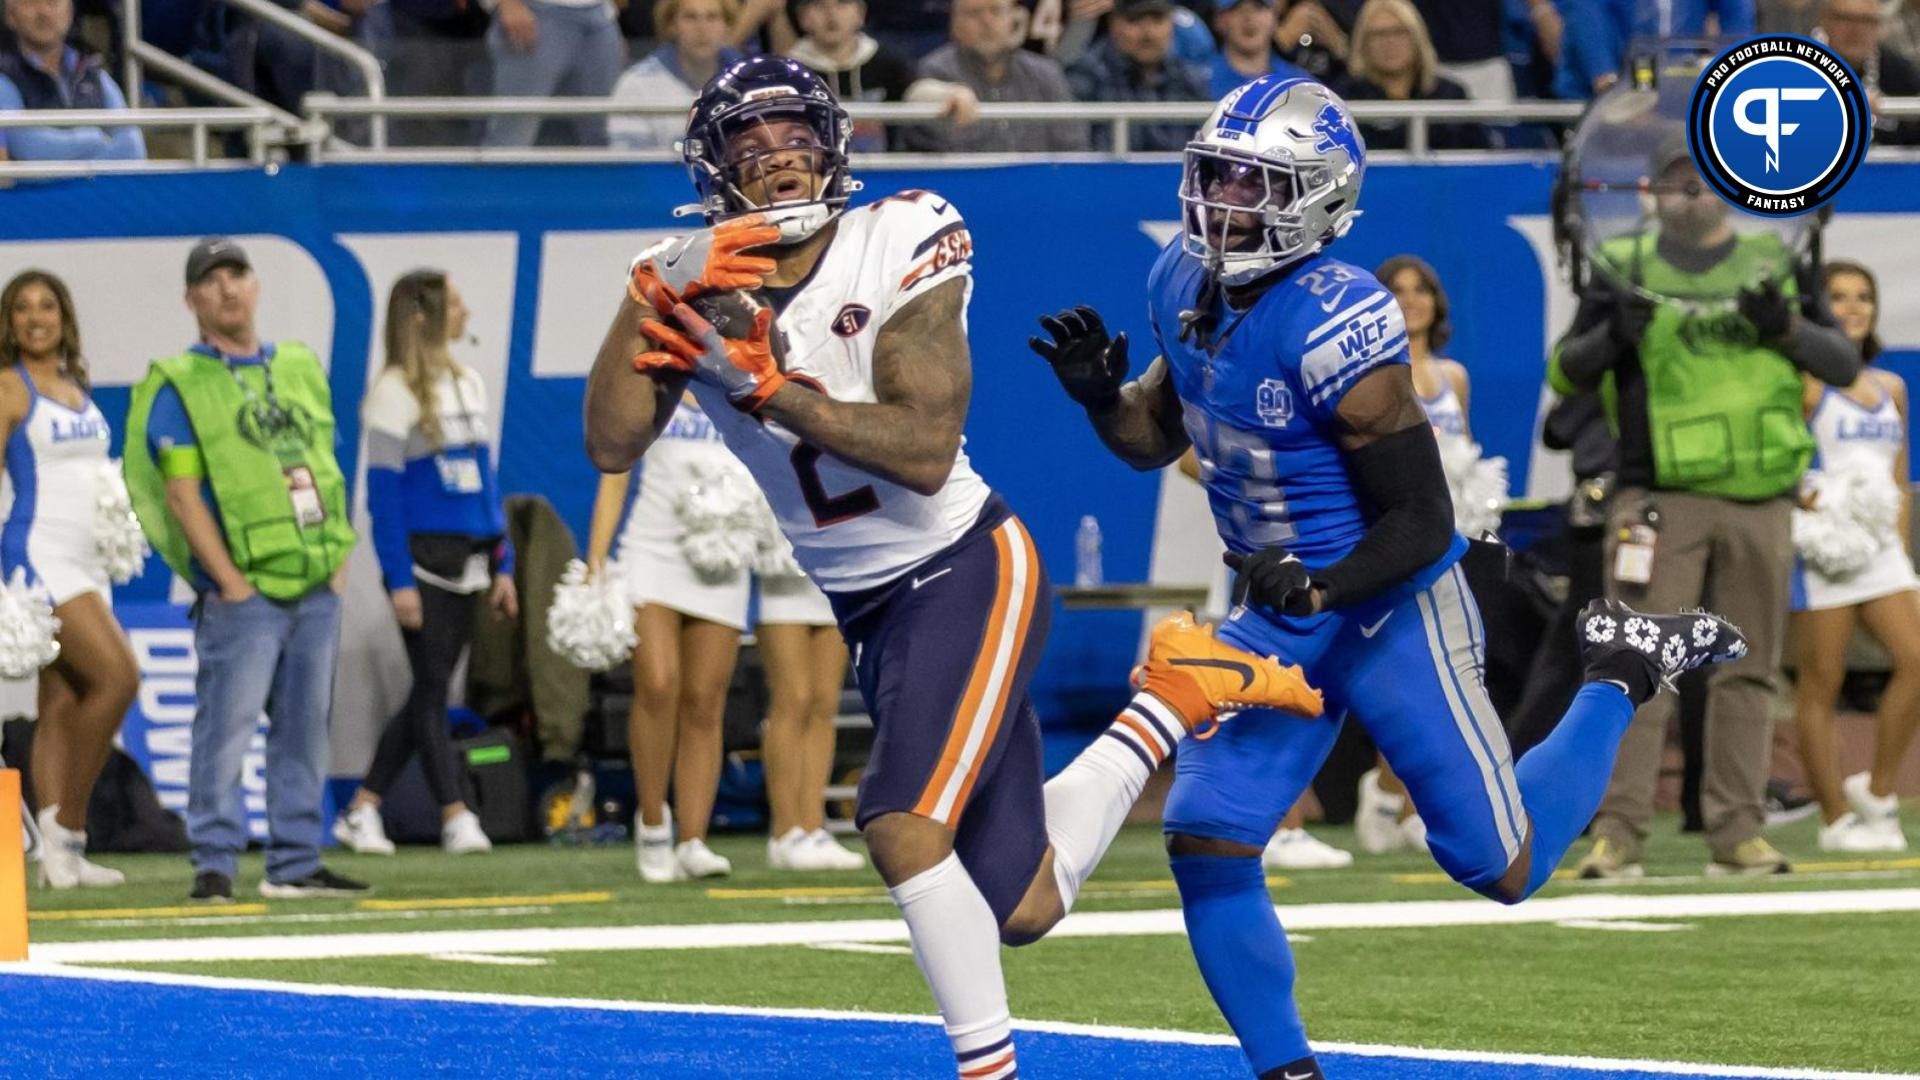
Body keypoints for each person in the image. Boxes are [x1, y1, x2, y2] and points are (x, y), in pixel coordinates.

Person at [588, 56, 1322, 1078]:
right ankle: (1169, 700)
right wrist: (650, 302)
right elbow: (613, 443)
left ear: (834, 145)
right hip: (868, 606)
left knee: (896, 825)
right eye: (750, 148)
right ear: (714, 171)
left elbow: (925, 448)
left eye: (796, 136)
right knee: (1021, 903)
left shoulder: (901, 232)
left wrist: (770, 391)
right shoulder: (695, 279)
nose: (779, 161)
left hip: (962, 564)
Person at [1031, 75, 1749, 1078]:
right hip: (1282, 608)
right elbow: (1153, 440)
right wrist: (1101, 398)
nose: (1221, 201)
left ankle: (1619, 671)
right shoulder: (1178, 280)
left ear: (1317, 196)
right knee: (1207, 841)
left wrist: (1322, 589)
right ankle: (1287, 1070)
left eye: (1252, 182)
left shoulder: (1336, 319)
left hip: (1387, 604)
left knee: (1500, 865)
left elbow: (1423, 519)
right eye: (1216, 175)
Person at [1550, 139, 1864, 880]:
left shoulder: (1775, 254)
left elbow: (1844, 364)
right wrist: (1609, 334)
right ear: (1655, 192)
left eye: (1705, 182)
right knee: (1636, 668)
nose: (1693, 194)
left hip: (1761, 496)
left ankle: (1737, 832)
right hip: (1659, 495)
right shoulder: (1623, 260)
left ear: (1729, 189)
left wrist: (1783, 327)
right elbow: (1564, 370)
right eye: (1677, 183)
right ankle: (1618, 832)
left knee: (1749, 671)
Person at [124, 238, 366, 903]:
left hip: (316, 579)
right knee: (223, 731)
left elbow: (328, 463)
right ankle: (216, 864)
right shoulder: (183, 382)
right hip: (245, 590)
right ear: (191, 300)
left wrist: (340, 559)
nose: (228, 288)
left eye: (237, 274)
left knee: (303, 729)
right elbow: (180, 493)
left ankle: (294, 860)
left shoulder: (296, 367)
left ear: (255, 286)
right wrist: (228, 581)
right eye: (212, 280)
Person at [331, 271, 516, 858]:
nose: (464, 312)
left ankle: (363, 807)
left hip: (471, 559)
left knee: (428, 691)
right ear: (420, 315)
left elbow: (486, 483)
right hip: (422, 560)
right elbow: (382, 499)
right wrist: (399, 578)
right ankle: (456, 813)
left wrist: (503, 561)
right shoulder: (392, 391)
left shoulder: (467, 382)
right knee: (432, 689)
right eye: (453, 303)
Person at [0, 271, 137, 889]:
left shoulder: (75, 386)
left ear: (64, 316)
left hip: (88, 561)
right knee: (118, 677)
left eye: (47, 306)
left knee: (60, 701)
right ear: (9, 321)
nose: (36, 317)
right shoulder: (9, 388)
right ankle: (69, 829)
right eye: (22, 308)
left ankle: (60, 857)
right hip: (41, 554)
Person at [586, 396, 748, 883]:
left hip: (721, 557)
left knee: (705, 700)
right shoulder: (656, 382)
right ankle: (653, 818)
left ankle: (694, 840)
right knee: (657, 683)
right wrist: (596, 561)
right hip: (651, 552)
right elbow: (615, 473)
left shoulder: (738, 383)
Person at [1789, 260, 1916, 853]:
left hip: (1882, 550)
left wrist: (1899, 544)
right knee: (1822, 681)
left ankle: (1878, 789)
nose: (1854, 307)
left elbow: (1898, 477)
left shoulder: (1891, 388)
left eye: (1864, 296)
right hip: (1824, 548)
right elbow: (1786, 460)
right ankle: (1836, 818)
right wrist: (1810, 501)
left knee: (1916, 659)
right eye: (1838, 297)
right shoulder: (1806, 383)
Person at [756, 562, 868, 871]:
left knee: (823, 703)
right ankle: (784, 831)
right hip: (778, 572)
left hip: (829, 570)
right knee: (794, 697)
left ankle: (812, 826)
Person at [784, 0, 978, 152]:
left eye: (842, 3)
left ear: (860, 13)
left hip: (882, 175)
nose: (831, 15)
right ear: (803, 17)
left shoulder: (886, 60)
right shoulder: (788, 71)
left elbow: (914, 90)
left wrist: (951, 93)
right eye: (819, 5)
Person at [914, 0, 1089, 153]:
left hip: (1039, 184)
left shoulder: (1046, 73)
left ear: (1014, 19)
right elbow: (924, 145)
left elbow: (1074, 147)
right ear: (954, 24)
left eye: (996, 11)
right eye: (974, 13)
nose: (987, 22)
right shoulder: (935, 70)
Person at [0, 0, 145, 163]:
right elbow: (28, 149)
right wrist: (94, 139)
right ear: (9, 16)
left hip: (100, 189)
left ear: (70, 12)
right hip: (37, 190)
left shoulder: (94, 74)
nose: (43, 12)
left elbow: (133, 150)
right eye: (30, 3)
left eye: (52, 2)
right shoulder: (4, 75)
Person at [1338, 0, 1489, 151]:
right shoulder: (1343, 98)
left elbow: (1482, 159)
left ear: (1417, 38)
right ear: (1363, 43)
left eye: (1399, 32)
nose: (1389, 42)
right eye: (1379, 34)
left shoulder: (1450, 95)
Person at [1066, 0, 1212, 152]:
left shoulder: (1190, 80)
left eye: (1157, 20)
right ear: (1113, 23)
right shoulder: (1084, 76)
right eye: (1135, 20)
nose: (1148, 34)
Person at [481, 0, 625, 147]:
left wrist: (611, 18)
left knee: (607, 135)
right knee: (512, 134)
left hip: (599, 15)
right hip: (534, 12)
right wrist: (507, 4)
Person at [610, 0, 745, 151]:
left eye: (712, 17)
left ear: (727, 26)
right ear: (671, 26)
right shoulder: (635, 84)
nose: (702, 28)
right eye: (690, 17)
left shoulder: (751, 82)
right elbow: (630, 164)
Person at [1207, 0, 1312, 99]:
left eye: (1258, 8)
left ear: (1274, 18)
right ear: (1219, 20)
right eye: (1237, 9)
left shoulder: (1299, 84)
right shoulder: (1200, 80)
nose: (1248, 18)